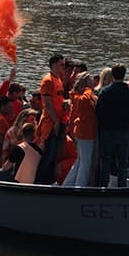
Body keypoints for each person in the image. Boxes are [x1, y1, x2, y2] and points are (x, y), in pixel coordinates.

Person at [96, 64, 129, 187]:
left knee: (105, 160)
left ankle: (103, 186)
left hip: (107, 130)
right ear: (124, 75)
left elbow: (98, 111)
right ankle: (121, 186)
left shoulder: (105, 92)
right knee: (123, 162)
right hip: (124, 131)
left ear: (113, 75)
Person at [35, 54, 68, 184]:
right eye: (62, 65)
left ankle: (49, 181)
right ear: (54, 64)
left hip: (60, 121)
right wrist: (56, 122)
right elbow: (47, 104)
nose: (63, 67)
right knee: (48, 155)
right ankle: (38, 182)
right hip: (51, 123)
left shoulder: (58, 79)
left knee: (54, 155)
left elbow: (57, 99)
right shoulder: (48, 80)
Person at [64, 72, 98, 187]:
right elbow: (87, 99)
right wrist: (89, 89)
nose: (93, 81)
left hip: (82, 133)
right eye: (90, 79)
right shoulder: (83, 97)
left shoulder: (78, 96)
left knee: (80, 161)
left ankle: (67, 185)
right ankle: (80, 187)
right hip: (85, 134)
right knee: (85, 164)